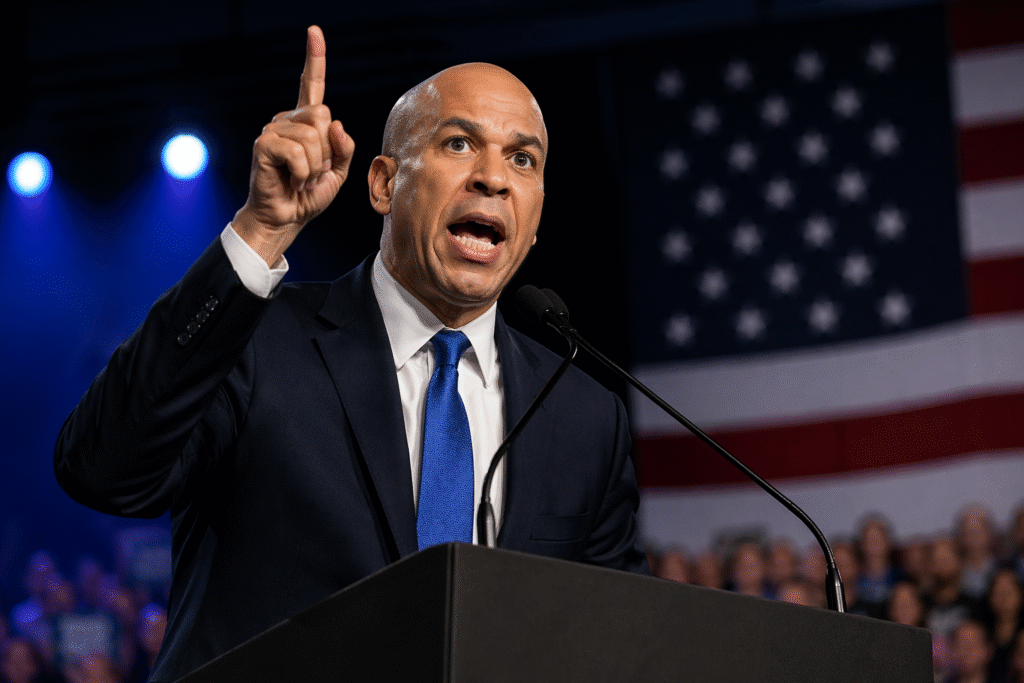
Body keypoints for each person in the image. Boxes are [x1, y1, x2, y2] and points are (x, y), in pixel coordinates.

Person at [54, 25, 648, 681]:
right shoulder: (257, 341)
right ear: (383, 183)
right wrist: (260, 230)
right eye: (459, 143)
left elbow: (611, 641)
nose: (493, 178)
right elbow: (102, 468)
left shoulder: (585, 414)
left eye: (523, 160)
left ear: (535, 222)